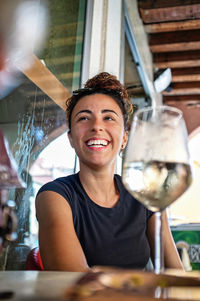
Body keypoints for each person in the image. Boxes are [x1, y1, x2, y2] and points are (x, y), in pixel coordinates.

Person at [36, 72, 183, 271]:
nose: (96, 126)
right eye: (84, 118)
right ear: (71, 138)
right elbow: (72, 284)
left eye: (108, 118)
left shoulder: (147, 194)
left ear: (124, 138)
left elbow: (174, 273)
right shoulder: (54, 196)